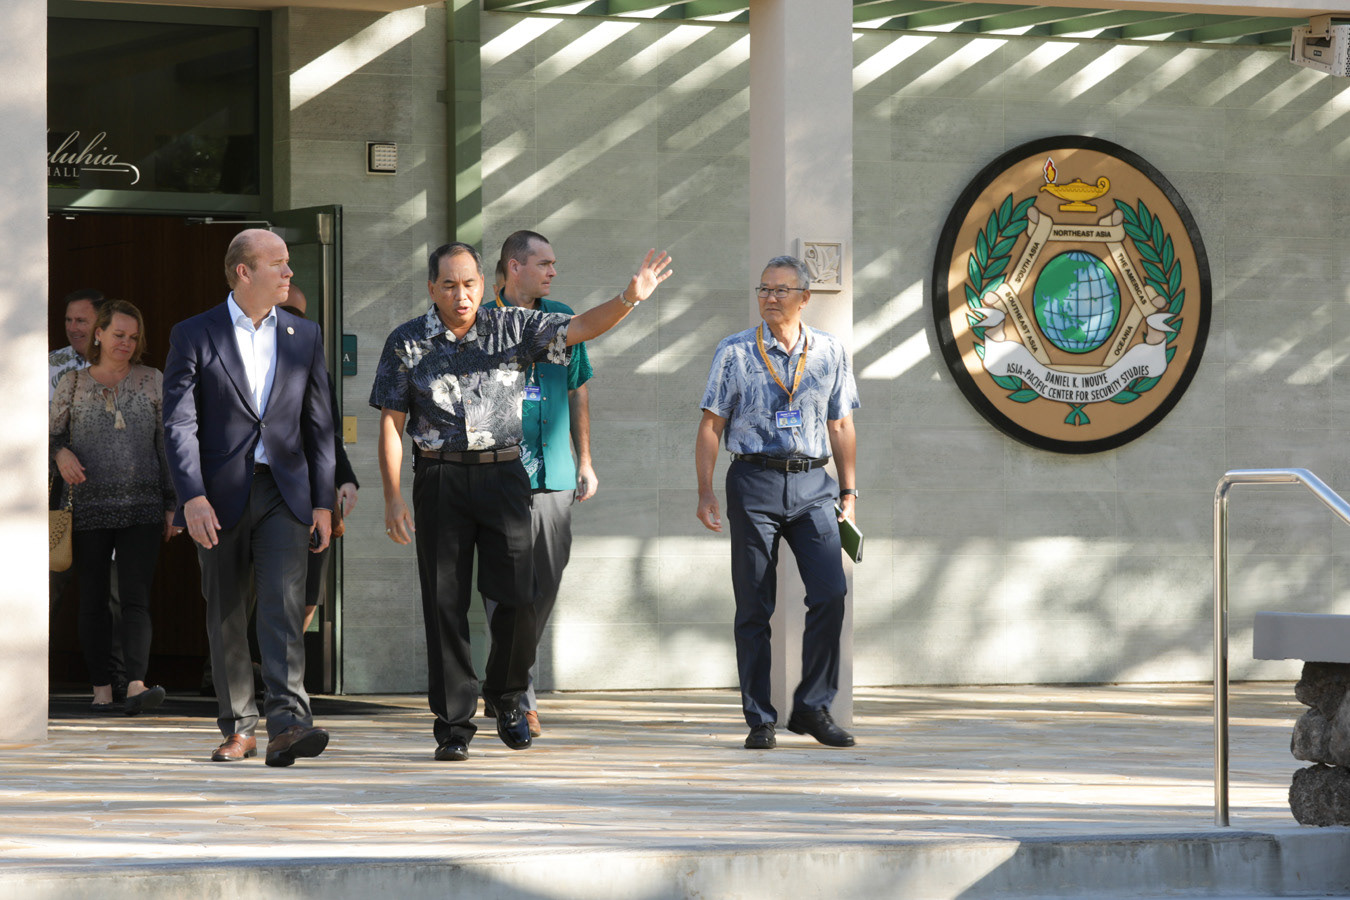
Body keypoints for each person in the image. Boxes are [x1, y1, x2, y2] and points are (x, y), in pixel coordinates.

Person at [371, 241, 671, 762]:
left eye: (468, 285)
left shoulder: (512, 327)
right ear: (431, 289)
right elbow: (392, 423)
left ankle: (508, 697)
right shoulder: (407, 342)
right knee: (444, 605)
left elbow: (578, 329)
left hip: (505, 475)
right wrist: (393, 495)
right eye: (448, 286)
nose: (460, 296)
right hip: (440, 480)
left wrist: (629, 298)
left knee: (517, 594)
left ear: (482, 286)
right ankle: (454, 723)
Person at [163, 228, 336, 767]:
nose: (289, 273)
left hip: (285, 492)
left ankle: (288, 722)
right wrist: (190, 496)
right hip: (217, 497)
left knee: (284, 609)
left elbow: (320, 424)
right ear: (244, 271)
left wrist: (324, 501)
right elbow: (178, 423)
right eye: (279, 264)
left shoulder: (304, 335)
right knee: (227, 613)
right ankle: (239, 726)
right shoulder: (194, 333)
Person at [695, 255, 860, 751]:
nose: (769, 297)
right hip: (754, 483)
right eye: (763, 289)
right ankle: (760, 718)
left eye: (781, 290)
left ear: (804, 298)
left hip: (814, 485)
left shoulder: (831, 351)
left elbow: (841, 424)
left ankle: (812, 707)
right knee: (754, 605)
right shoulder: (734, 352)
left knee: (830, 593)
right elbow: (710, 426)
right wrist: (704, 491)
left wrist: (849, 491)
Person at [481, 230, 595, 738]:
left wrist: (586, 459)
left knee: (543, 587)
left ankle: (507, 679)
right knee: (507, 590)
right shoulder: (481, 322)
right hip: (498, 473)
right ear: (514, 267)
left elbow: (578, 391)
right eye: (544, 263)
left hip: (555, 473)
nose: (552, 272)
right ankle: (518, 697)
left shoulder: (564, 317)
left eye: (554, 264)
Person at [50, 299, 176, 715]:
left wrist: (173, 503)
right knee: (93, 600)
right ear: (99, 334)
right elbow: (49, 436)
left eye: (133, 337)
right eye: (119, 334)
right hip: (88, 506)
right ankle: (102, 688)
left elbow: (167, 445)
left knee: (137, 597)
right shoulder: (72, 383)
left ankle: (136, 684)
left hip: (142, 505)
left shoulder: (152, 380)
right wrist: (60, 454)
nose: (126, 343)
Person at [278, 284, 359, 632]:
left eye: (298, 316)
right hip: (261, 488)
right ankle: (242, 669)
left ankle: (281, 669)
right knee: (259, 589)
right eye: (284, 314)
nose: (291, 324)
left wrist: (345, 479)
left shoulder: (317, 370)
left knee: (310, 591)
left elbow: (329, 435)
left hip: (312, 493)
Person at [49, 289, 104, 400]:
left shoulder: (120, 364)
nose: (71, 328)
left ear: (102, 323)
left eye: (80, 320)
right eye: (68, 320)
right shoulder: (48, 364)